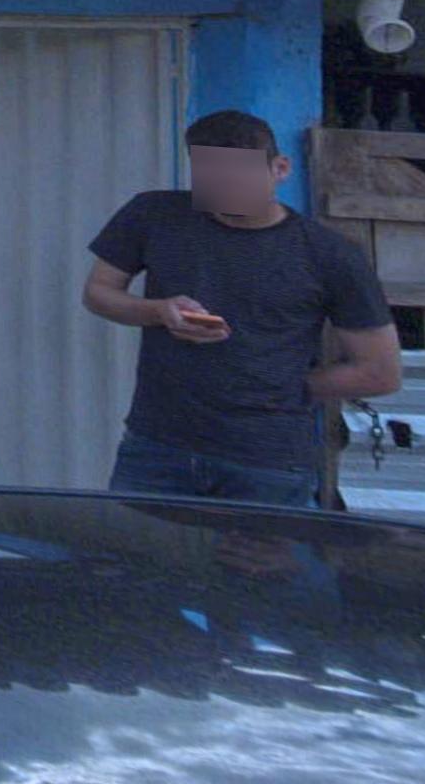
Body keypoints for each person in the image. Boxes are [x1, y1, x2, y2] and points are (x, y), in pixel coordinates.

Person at [83, 108, 402, 509]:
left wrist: (285, 388)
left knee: (262, 555)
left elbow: (380, 372)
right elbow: (98, 292)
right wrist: (158, 311)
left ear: (280, 168)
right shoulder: (153, 215)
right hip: (156, 447)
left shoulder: (330, 254)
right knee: (135, 550)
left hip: (267, 460)